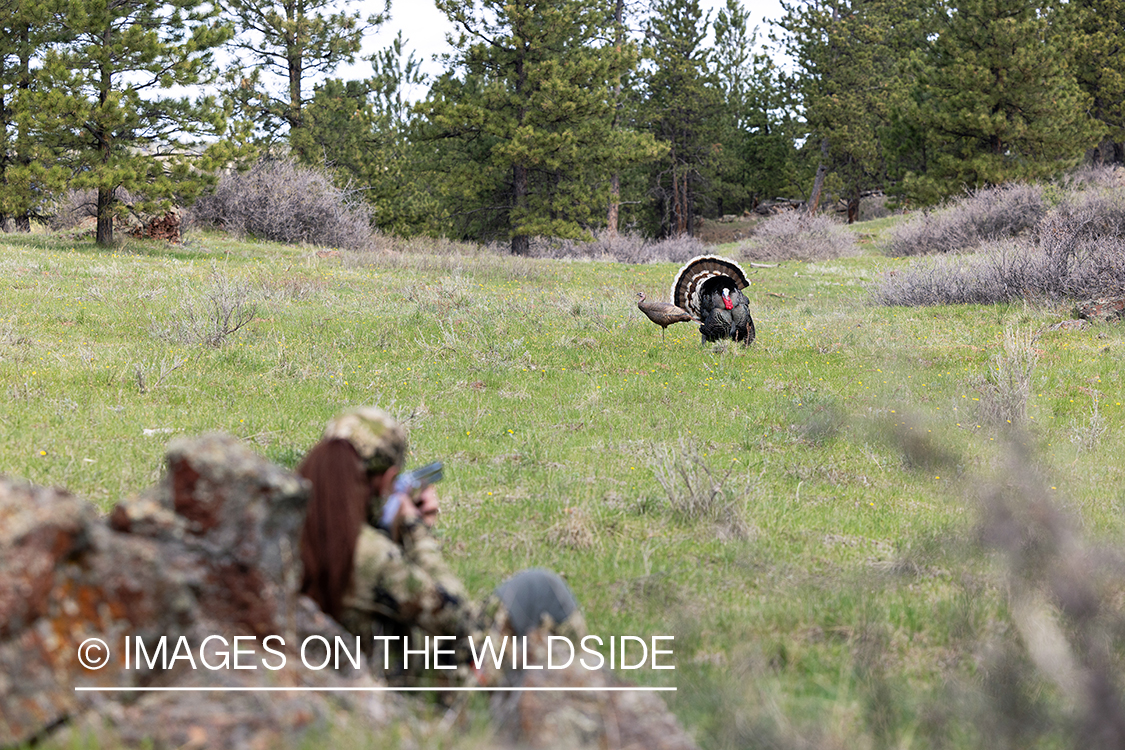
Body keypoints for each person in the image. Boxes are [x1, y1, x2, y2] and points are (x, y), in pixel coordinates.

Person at [298, 406, 585, 681]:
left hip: (343, 680)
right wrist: (416, 531)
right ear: (386, 480)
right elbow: (459, 621)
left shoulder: (292, 534)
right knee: (539, 589)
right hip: (419, 693)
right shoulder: (370, 555)